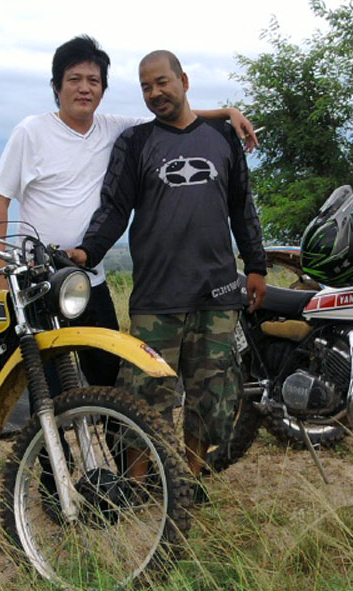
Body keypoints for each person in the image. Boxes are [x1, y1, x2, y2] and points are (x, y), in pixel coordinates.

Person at [0, 35, 258, 390]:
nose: (84, 88)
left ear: (103, 89)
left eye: (93, 80)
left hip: (89, 278)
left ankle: (108, 430)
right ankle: (47, 430)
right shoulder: (30, 132)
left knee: (109, 379)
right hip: (38, 283)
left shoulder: (115, 128)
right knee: (46, 382)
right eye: (74, 79)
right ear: (56, 86)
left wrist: (227, 113)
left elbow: (174, 115)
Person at [70, 49, 267, 486]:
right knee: (144, 396)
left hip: (217, 294)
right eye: (146, 87)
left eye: (162, 82)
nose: (155, 92)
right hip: (156, 298)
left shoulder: (222, 137)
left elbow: (242, 207)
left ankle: (188, 481)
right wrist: (87, 251)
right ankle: (139, 486)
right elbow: (115, 208)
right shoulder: (135, 143)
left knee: (210, 396)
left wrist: (256, 266)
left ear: (184, 81)